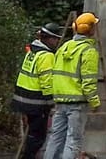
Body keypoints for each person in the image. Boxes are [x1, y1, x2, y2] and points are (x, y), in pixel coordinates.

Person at [44, 12, 102, 159]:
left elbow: (55, 74)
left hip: (60, 101)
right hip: (77, 104)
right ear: (91, 29)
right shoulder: (88, 51)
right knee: (73, 140)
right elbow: (88, 82)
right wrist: (94, 102)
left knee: (55, 138)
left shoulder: (64, 47)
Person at [10, 23, 62, 159]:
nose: (57, 42)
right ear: (49, 38)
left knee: (33, 134)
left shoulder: (33, 51)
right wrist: (52, 103)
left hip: (23, 98)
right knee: (38, 137)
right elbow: (47, 81)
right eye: (56, 39)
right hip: (37, 102)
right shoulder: (47, 55)